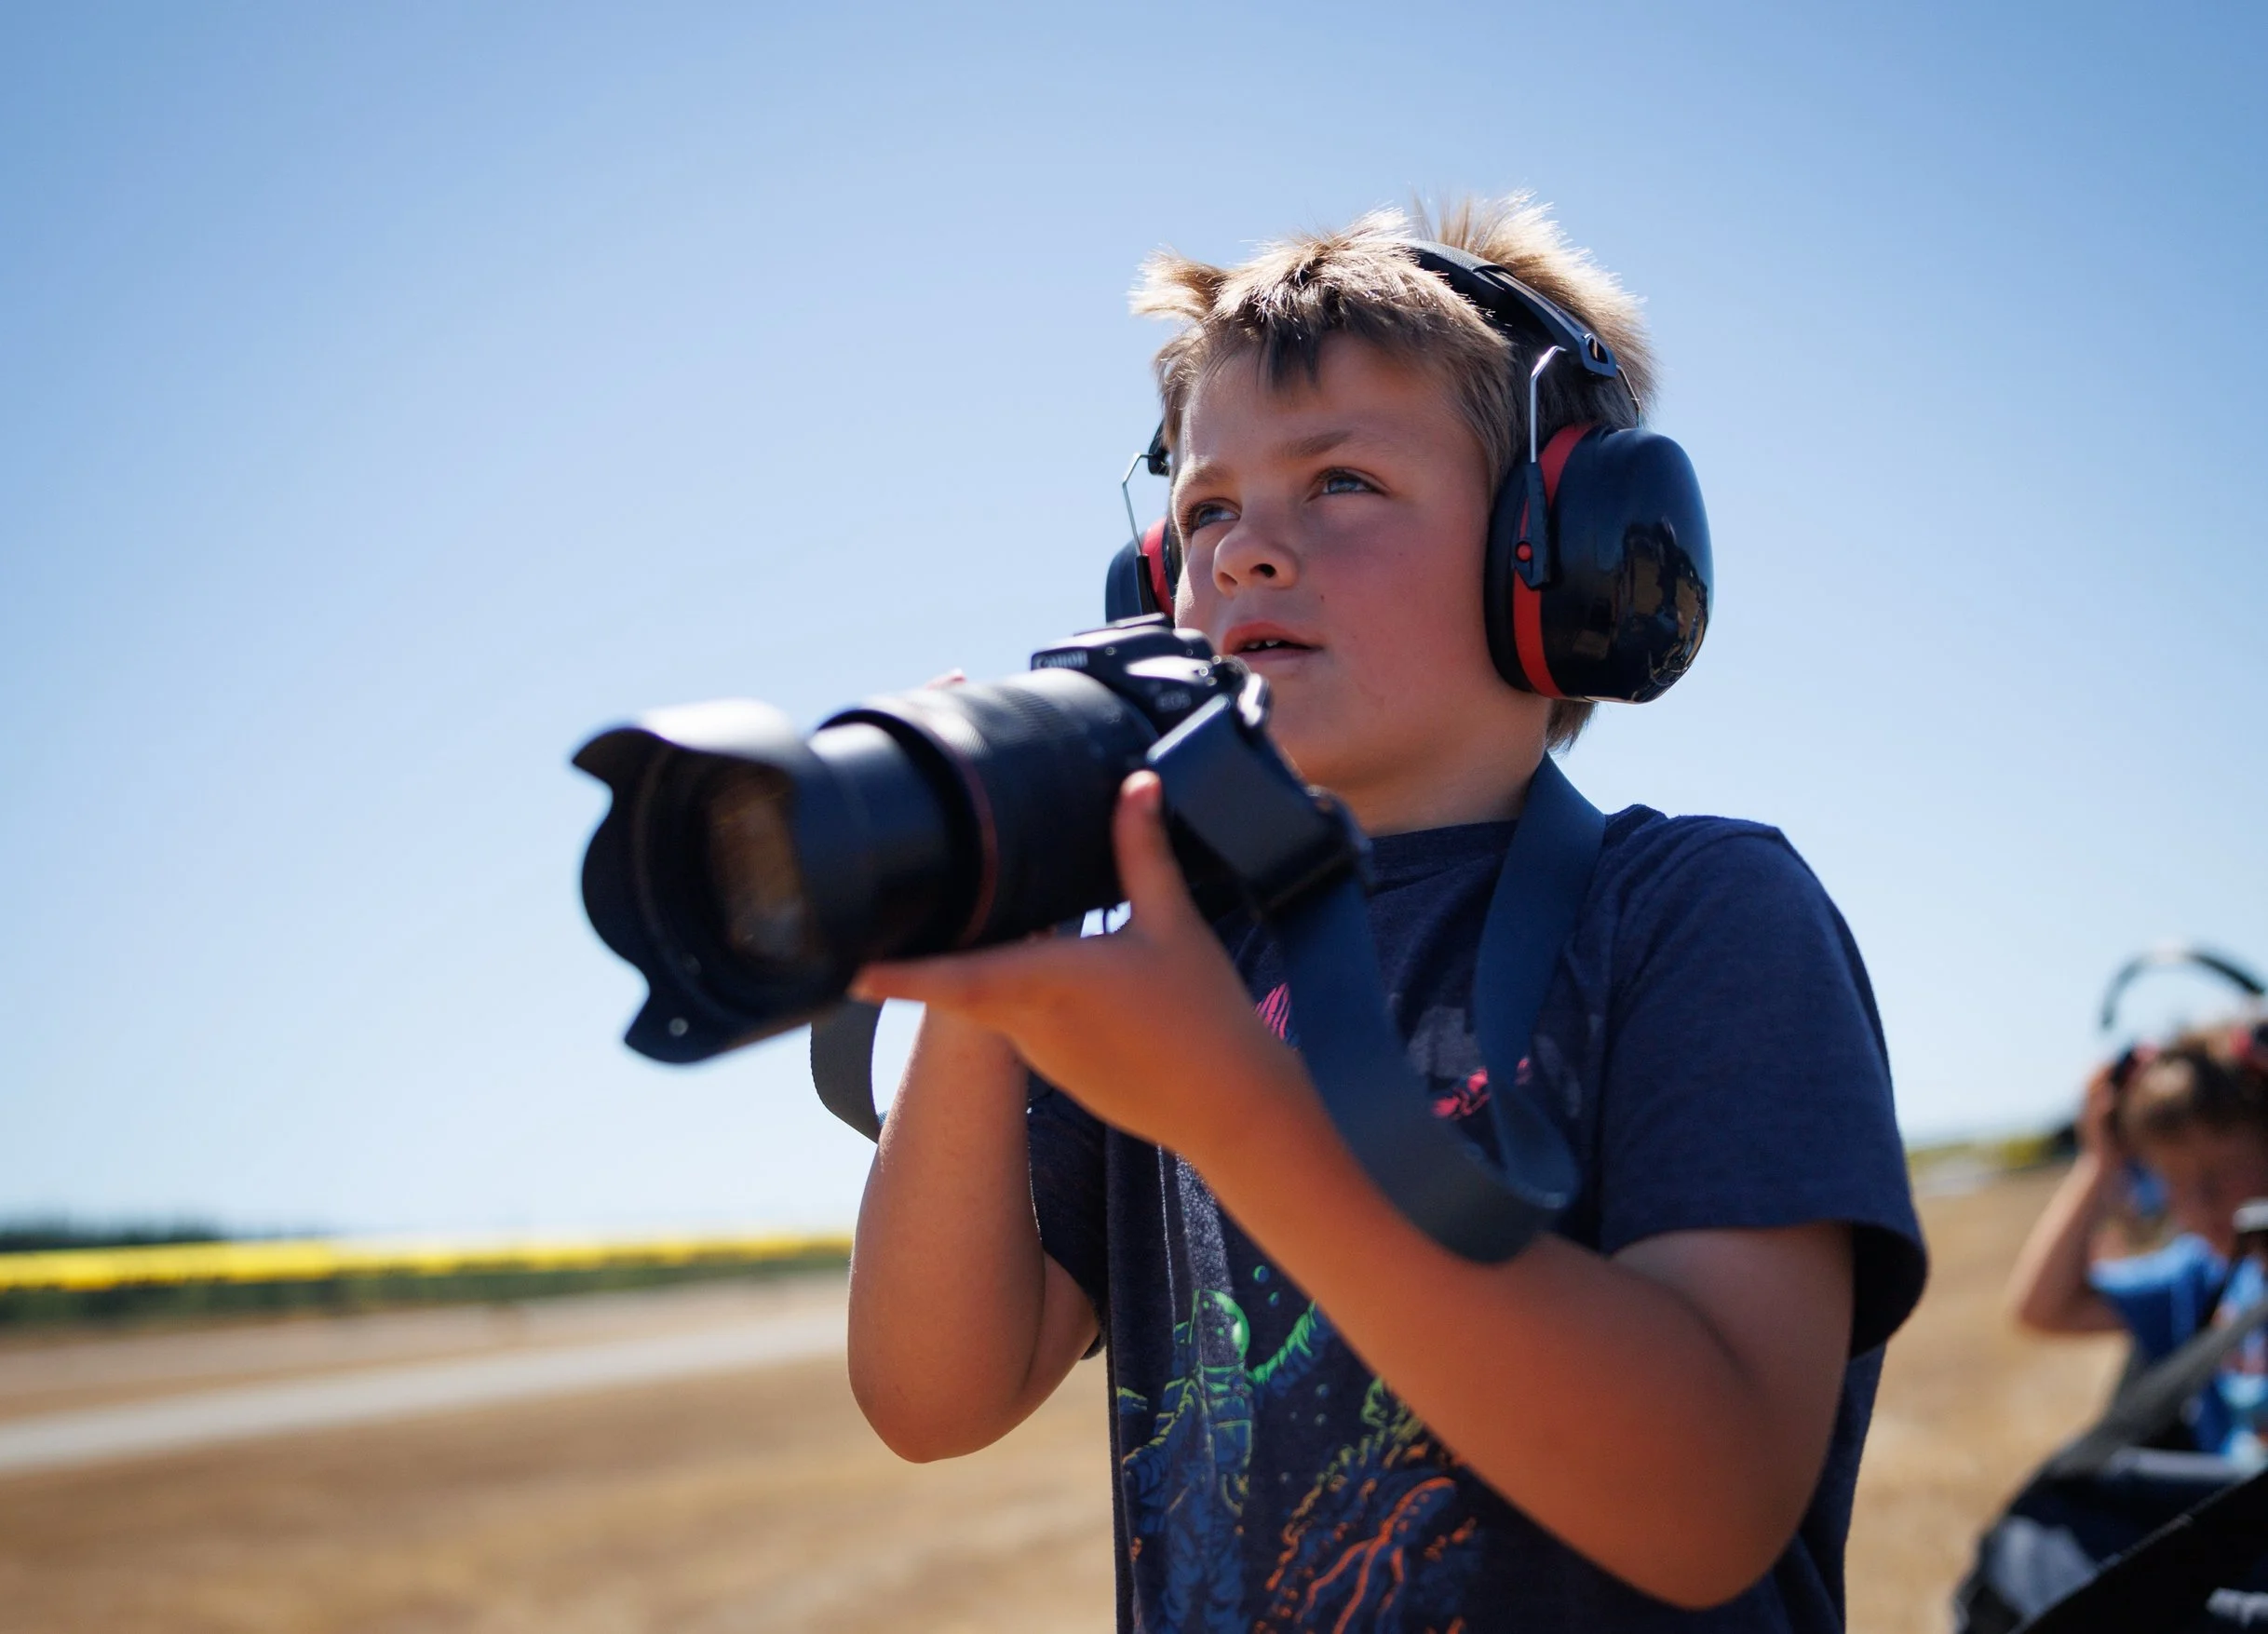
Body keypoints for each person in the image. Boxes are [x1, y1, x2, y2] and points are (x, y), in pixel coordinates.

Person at [844, 196, 1927, 1632]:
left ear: (1566, 554)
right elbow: (933, 1393)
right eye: (1207, 509)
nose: (1245, 551)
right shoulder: (1174, 953)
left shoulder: (1698, 915)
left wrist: (1238, 1113)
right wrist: (984, 951)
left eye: (1342, 480)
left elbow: (1712, 1499)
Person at [2008, 1025, 2268, 1462]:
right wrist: (2100, 1164)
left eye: (2224, 1169)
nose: (2201, 1201)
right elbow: (2043, 1308)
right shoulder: (2200, 1280)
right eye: (2174, 1178)